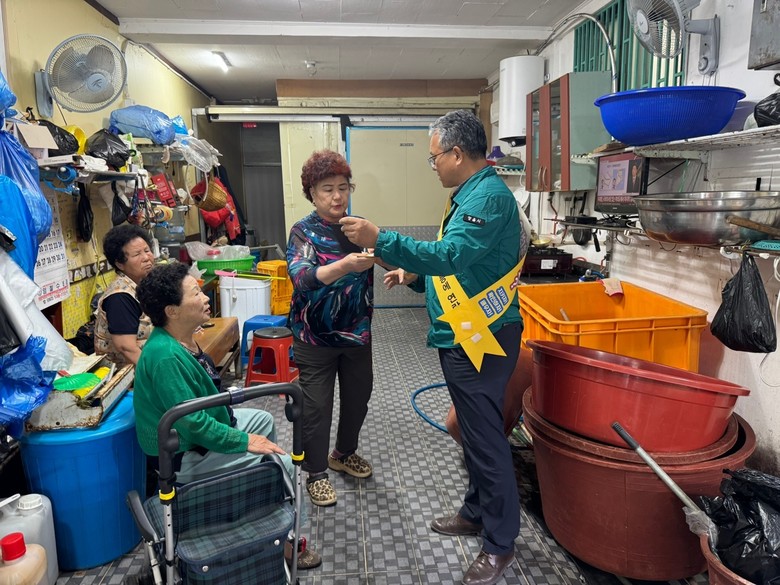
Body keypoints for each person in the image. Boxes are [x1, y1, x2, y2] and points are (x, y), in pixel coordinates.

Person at [340, 110, 524, 585]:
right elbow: (465, 270)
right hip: (464, 332)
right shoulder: (469, 195)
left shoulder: (489, 198)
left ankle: (500, 543)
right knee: (475, 434)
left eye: (434, 158)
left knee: (485, 440)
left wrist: (381, 239)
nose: (434, 166)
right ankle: (476, 512)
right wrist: (415, 277)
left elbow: (451, 256)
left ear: (457, 154)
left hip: (481, 338)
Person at [133, 262, 320, 569]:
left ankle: (257, 498)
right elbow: (193, 425)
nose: (205, 297)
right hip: (182, 455)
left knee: (264, 421)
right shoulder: (164, 356)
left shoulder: (182, 337)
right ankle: (287, 542)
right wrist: (243, 441)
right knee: (284, 464)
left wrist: (244, 437)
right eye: (195, 293)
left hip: (198, 434)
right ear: (172, 310)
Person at [287, 149, 376, 508]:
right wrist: (345, 265)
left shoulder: (359, 227)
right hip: (314, 338)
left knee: (358, 400)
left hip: (356, 334)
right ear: (312, 193)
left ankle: (343, 453)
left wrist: (399, 268)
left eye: (343, 187)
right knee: (316, 408)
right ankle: (316, 472)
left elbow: (384, 254)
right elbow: (302, 278)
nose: (337, 196)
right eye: (328, 189)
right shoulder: (303, 232)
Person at [94, 224, 155, 366]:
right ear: (120, 264)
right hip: (127, 371)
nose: (146, 258)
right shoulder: (119, 297)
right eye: (137, 254)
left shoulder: (145, 283)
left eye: (147, 250)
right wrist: (155, 374)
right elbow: (126, 348)